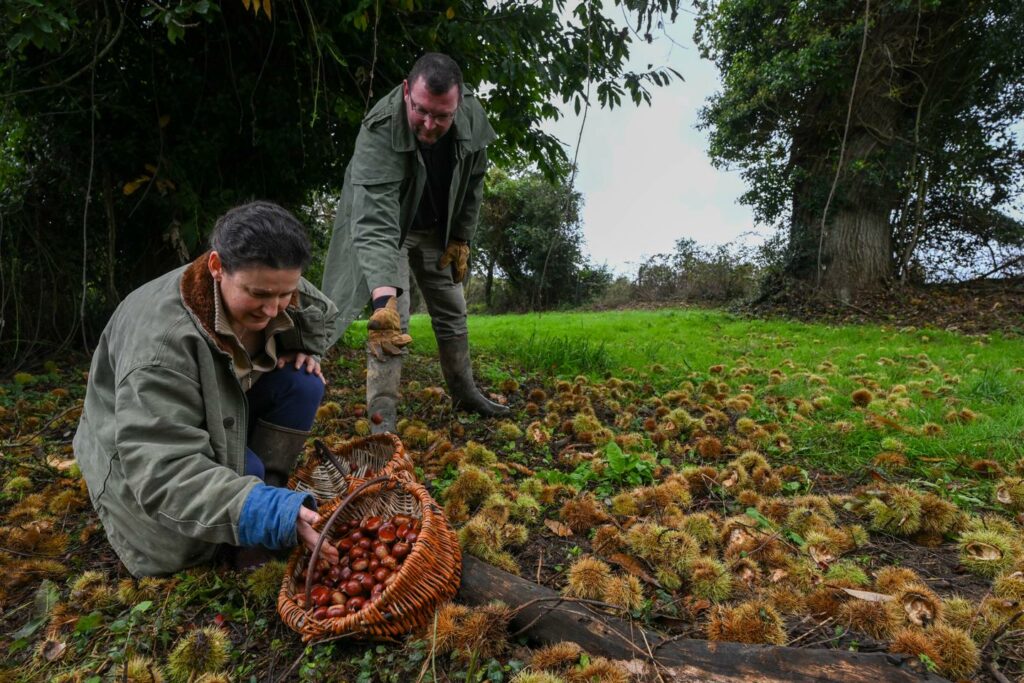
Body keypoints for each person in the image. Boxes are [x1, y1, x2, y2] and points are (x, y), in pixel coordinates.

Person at [74, 201, 340, 576]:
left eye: (284, 296)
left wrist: (300, 346)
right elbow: (162, 471)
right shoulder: (159, 345)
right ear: (217, 267)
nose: (273, 310)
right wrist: (266, 512)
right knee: (238, 470)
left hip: (223, 407)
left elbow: (315, 312)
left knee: (303, 382)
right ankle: (256, 511)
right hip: (142, 453)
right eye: (259, 296)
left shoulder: (269, 277)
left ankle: (265, 494)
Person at [321, 52, 509, 434]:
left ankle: (464, 390)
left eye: (442, 116)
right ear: (407, 92)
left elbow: (474, 182)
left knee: (454, 308)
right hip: (392, 229)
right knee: (393, 319)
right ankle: (382, 416)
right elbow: (375, 223)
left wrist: (461, 237)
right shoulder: (379, 129)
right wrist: (382, 296)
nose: (429, 124)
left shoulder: (471, 117)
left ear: (458, 103)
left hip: (437, 228)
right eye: (421, 111)